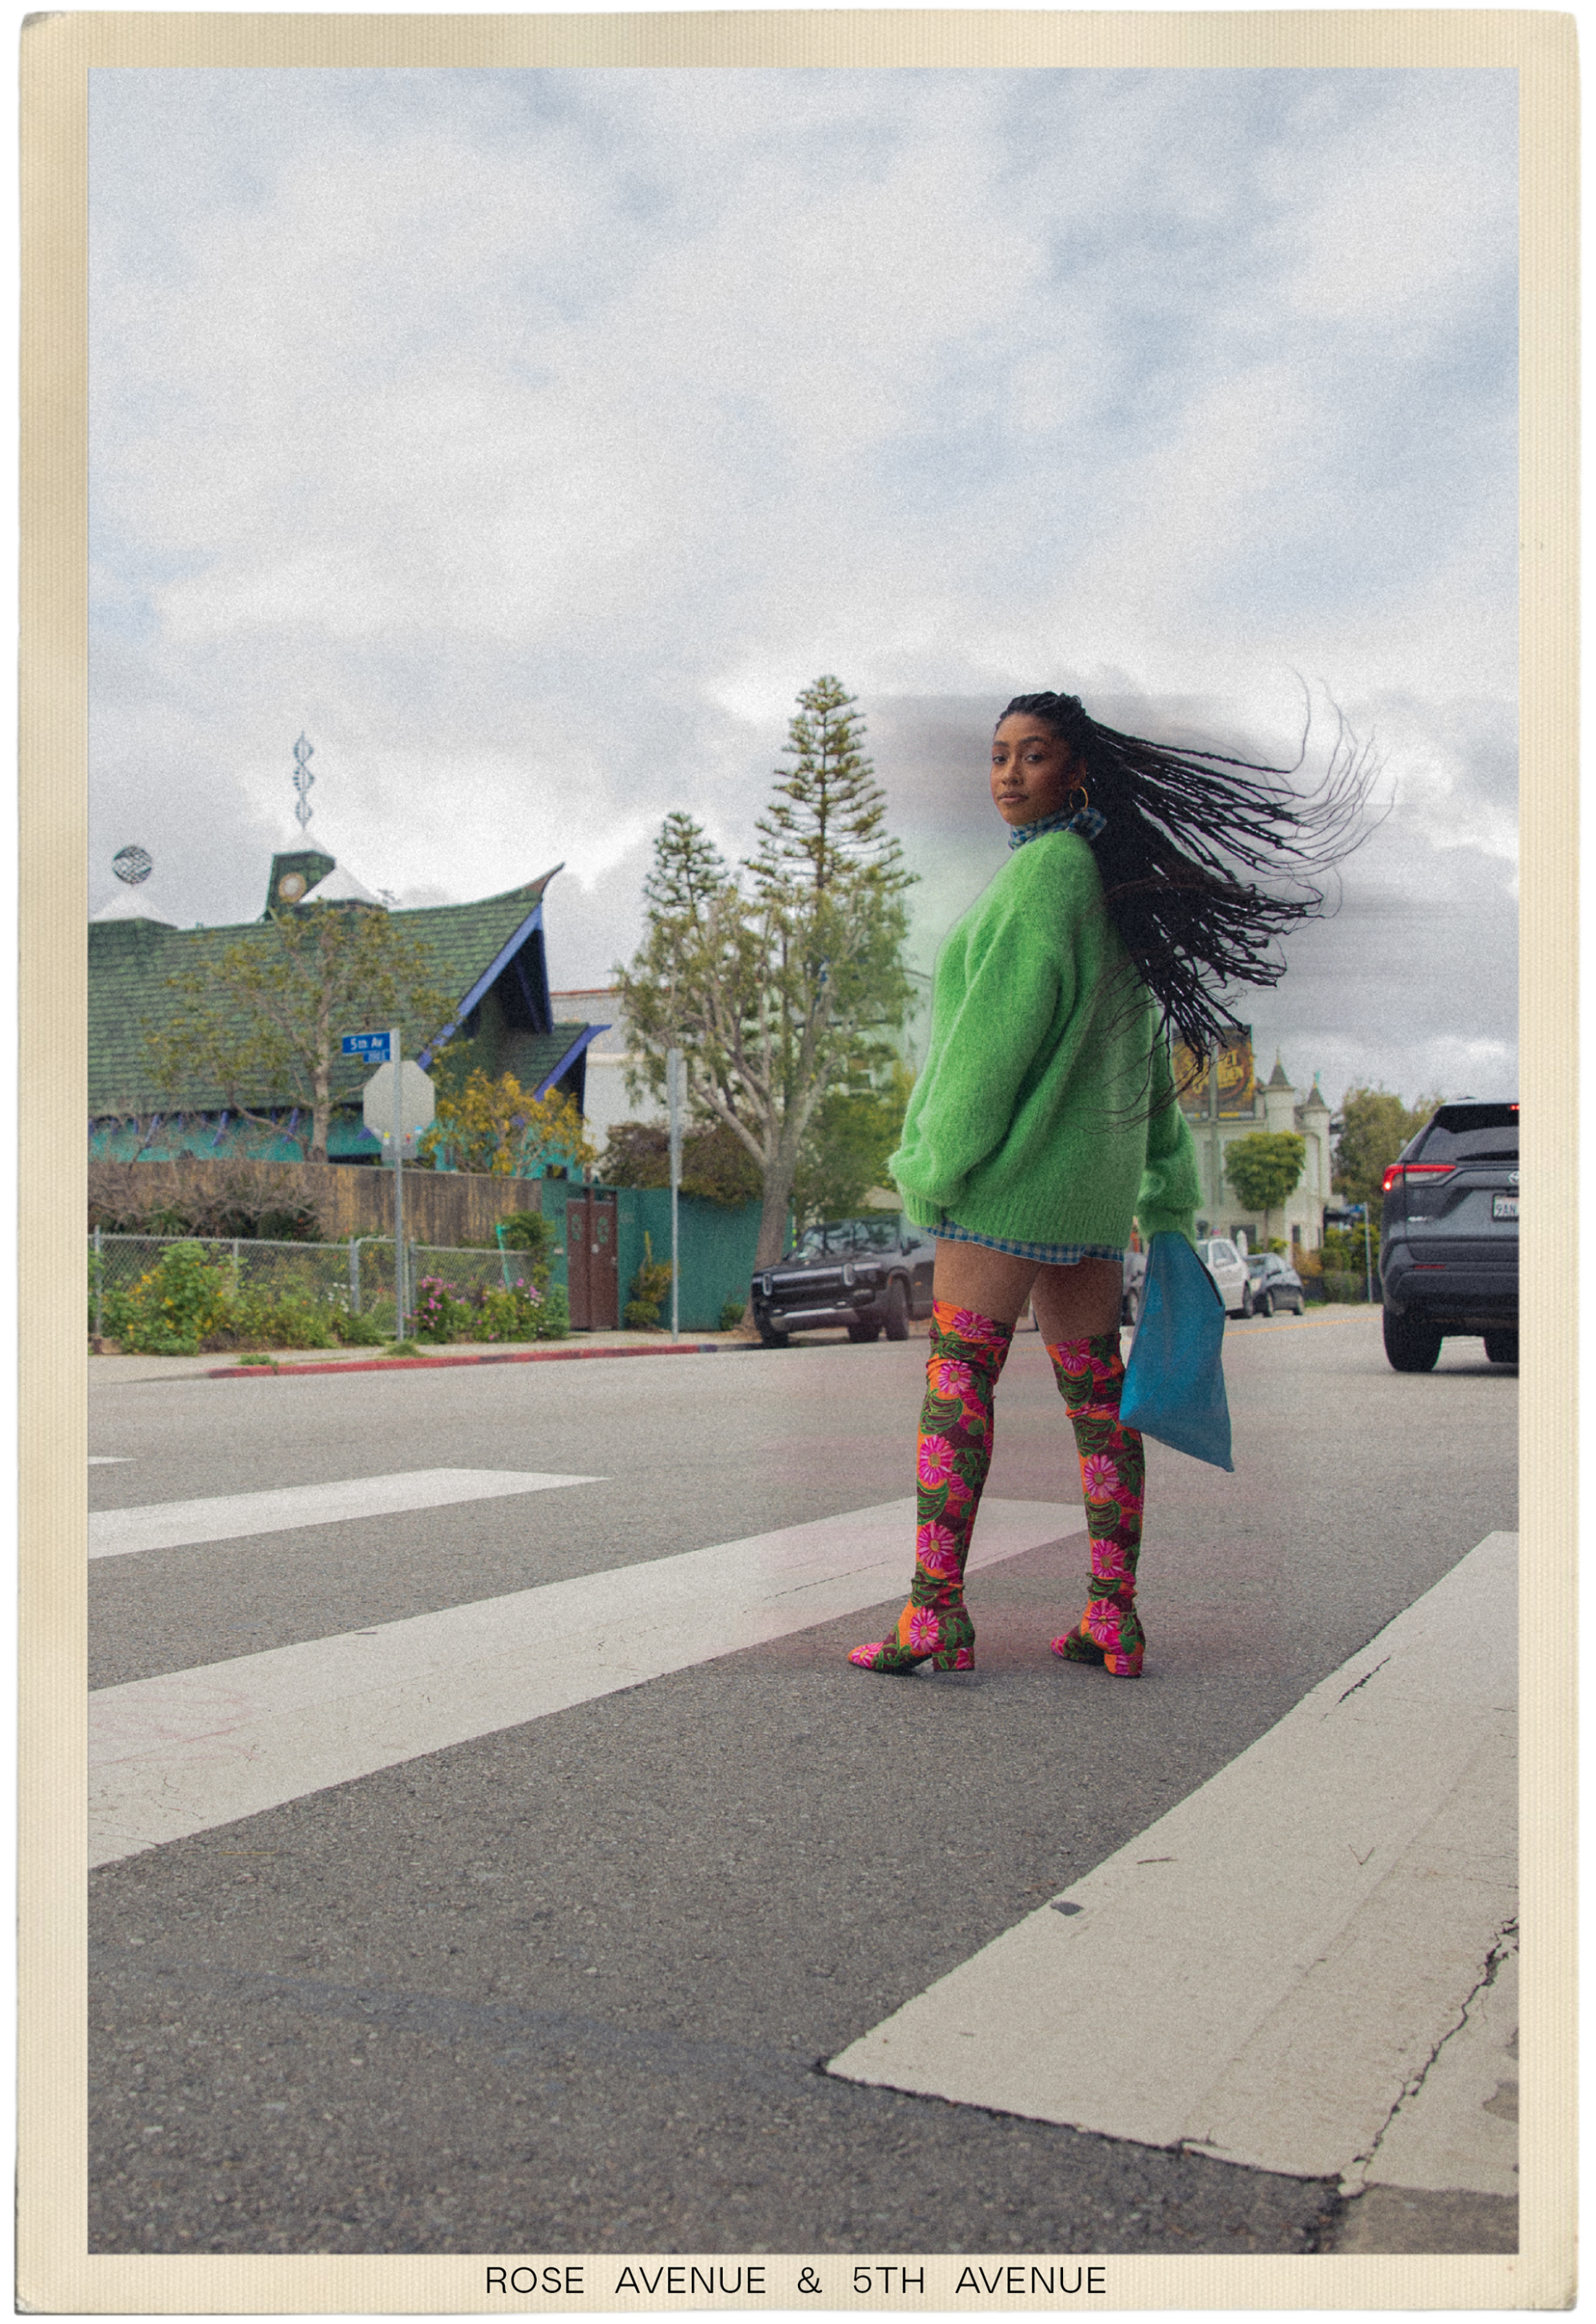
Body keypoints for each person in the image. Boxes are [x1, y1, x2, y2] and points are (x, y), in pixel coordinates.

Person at [847, 689, 1370, 1680]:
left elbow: (984, 1051)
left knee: (957, 1385)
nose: (1006, 773)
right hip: (1090, 1200)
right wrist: (1165, 1190)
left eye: (1031, 755)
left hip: (1004, 1187)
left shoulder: (1041, 878)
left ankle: (933, 1615)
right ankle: (1112, 1616)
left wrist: (930, 1167)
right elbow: (1143, 1066)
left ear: (1076, 770)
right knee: (1096, 1403)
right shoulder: (1114, 885)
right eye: (997, 755)